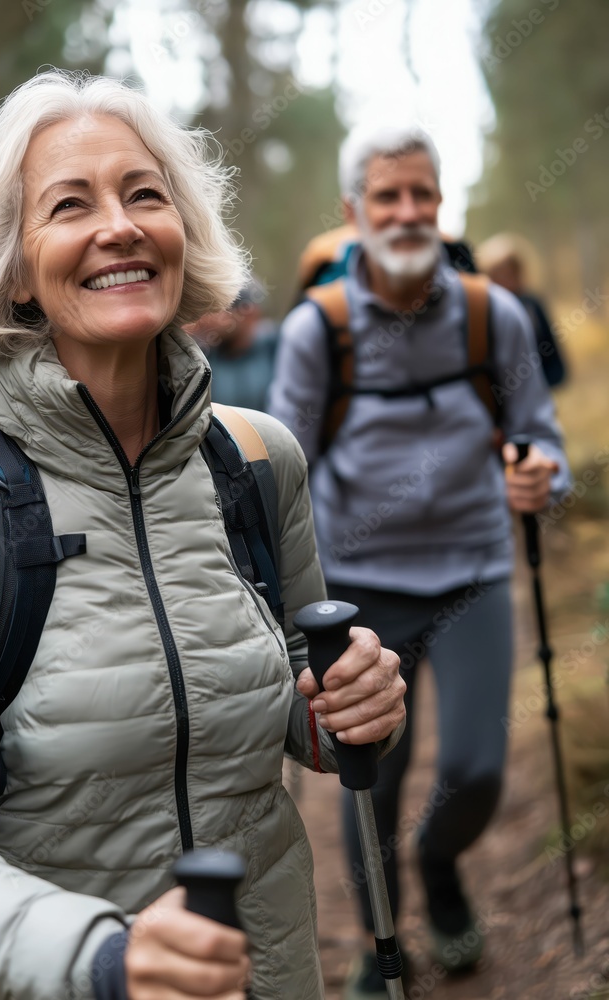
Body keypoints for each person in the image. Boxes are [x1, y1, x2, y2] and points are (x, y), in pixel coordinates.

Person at [0, 72, 406, 1000]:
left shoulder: (259, 463)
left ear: (185, 231)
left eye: (146, 194)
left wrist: (353, 707)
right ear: (14, 266)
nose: (121, 225)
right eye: (70, 205)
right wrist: (102, 959)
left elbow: (305, 697)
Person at [269, 125, 569, 999]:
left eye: (422, 195)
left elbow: (541, 441)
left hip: (473, 572)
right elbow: (288, 470)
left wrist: (542, 478)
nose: (407, 213)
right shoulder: (315, 330)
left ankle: (441, 867)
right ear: (352, 210)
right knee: (371, 789)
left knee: (476, 768)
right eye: (388, 196)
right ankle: (381, 941)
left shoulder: (491, 315)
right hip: (357, 591)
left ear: (442, 204)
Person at [477, 231, 568, 388]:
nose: (506, 279)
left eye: (510, 272)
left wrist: (545, 384)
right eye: (500, 274)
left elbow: (551, 351)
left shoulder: (532, 305)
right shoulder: (482, 310)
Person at [187, 277, 278, 411]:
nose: (207, 317)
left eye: (219, 309)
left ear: (249, 312)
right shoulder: (202, 356)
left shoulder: (276, 348)